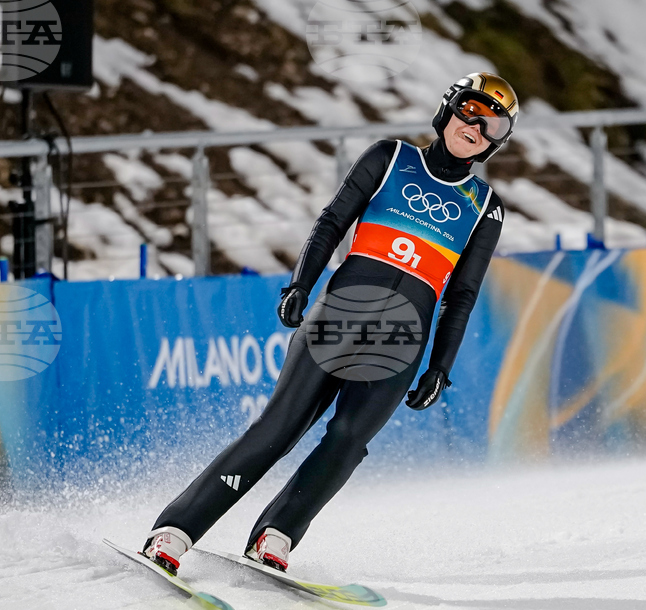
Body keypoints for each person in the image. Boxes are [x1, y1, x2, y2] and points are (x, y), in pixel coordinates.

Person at [142, 73, 519, 574]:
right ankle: (175, 532)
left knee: (346, 442)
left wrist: (440, 365)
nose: (475, 126)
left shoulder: (485, 209)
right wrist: (301, 284)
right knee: (277, 429)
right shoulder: (389, 158)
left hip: (402, 342)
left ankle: (275, 536)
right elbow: (331, 222)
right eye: (471, 110)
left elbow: (462, 296)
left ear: (496, 142)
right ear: (449, 108)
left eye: (491, 125)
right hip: (338, 316)